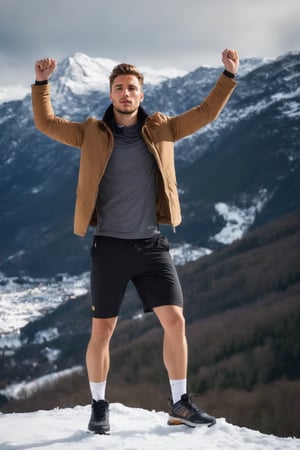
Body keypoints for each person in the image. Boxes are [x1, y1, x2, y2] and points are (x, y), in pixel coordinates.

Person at [32, 48, 239, 434]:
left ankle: (180, 403)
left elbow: (206, 112)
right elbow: (46, 123)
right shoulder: (91, 133)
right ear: (110, 94)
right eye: (119, 88)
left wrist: (227, 76)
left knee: (175, 320)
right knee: (102, 331)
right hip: (109, 246)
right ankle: (98, 406)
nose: (126, 93)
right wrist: (42, 84)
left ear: (142, 94)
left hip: (151, 246)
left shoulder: (162, 129)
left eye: (132, 88)